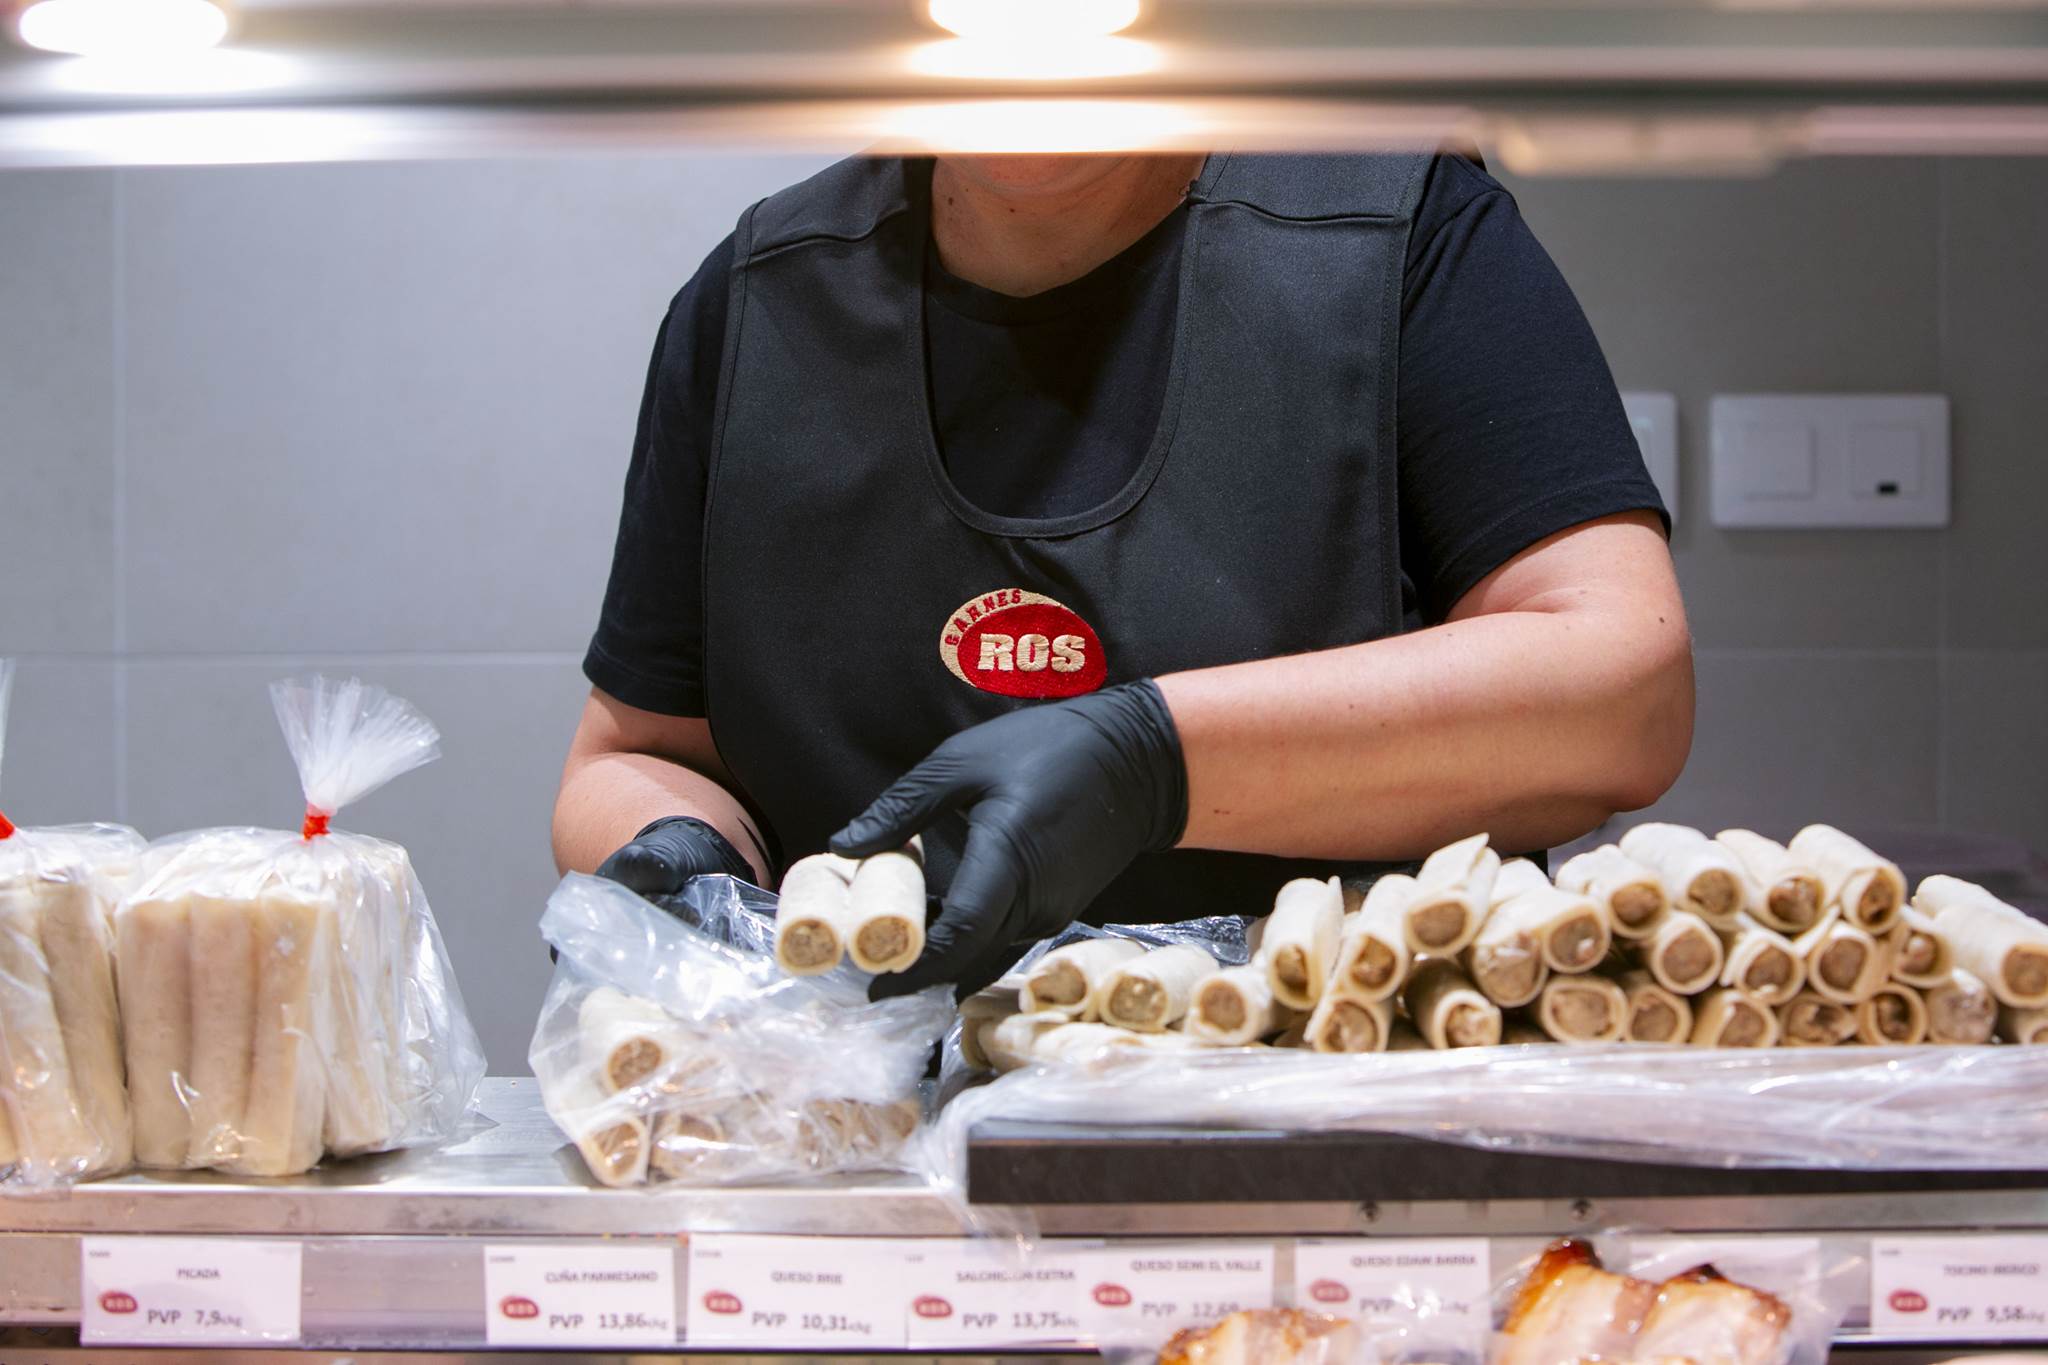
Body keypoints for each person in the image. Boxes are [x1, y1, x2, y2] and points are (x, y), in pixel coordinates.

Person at [553, 149, 1693, 999]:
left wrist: (1151, 762)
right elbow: (640, 754)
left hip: (1334, 1108)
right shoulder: (756, 301)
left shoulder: (1400, 237)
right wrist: (681, 865)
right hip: (862, 1131)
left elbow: (1620, 694)